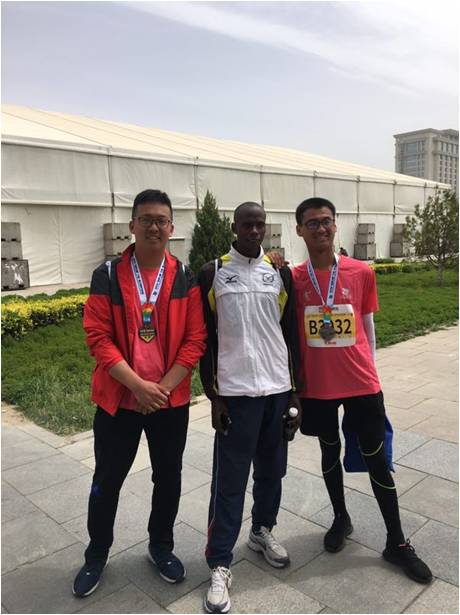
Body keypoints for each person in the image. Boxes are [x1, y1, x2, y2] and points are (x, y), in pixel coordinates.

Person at [72, 189, 207, 597]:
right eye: (145, 219)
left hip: (168, 401)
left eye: (161, 220)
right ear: (131, 225)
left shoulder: (184, 277)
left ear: (171, 227)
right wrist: (137, 386)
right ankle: (96, 554)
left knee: (168, 477)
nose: (153, 226)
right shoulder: (108, 275)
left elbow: (195, 340)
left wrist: (160, 390)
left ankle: (160, 546)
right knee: (107, 479)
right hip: (120, 400)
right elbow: (98, 337)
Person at [290, 196, 432, 584]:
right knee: (329, 451)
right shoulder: (294, 278)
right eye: (312, 223)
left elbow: (368, 328)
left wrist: (372, 374)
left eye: (326, 221)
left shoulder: (360, 272)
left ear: (335, 225)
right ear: (299, 229)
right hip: (317, 387)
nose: (321, 228)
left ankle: (396, 541)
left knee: (376, 457)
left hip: (360, 383)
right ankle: (341, 518)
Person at [198, 202, 302, 614]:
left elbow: (290, 335)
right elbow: (205, 340)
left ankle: (261, 530)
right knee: (229, 482)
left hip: (276, 390)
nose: (255, 231)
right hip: (236, 395)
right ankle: (219, 562)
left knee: (272, 472)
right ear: (234, 227)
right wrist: (214, 396)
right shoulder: (212, 273)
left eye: (260, 224)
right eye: (247, 224)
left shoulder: (279, 273)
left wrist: (295, 393)